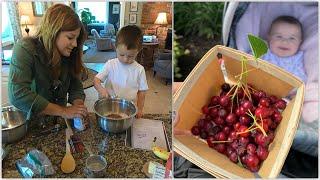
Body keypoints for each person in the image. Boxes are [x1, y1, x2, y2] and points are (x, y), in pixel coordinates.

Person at [8, 4, 88, 121]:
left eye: (76, 39)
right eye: (70, 38)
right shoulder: (24, 49)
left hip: (58, 122)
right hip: (32, 122)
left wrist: (78, 107)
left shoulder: (69, 53)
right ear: (53, 32)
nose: (75, 44)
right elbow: (18, 94)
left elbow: (75, 85)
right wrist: (63, 111)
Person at [93, 25, 148, 118]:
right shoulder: (110, 64)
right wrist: (101, 89)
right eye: (121, 54)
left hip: (128, 108)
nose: (126, 59)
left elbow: (142, 92)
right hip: (109, 105)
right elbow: (96, 80)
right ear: (116, 48)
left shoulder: (140, 70)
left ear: (138, 51)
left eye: (131, 56)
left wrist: (140, 109)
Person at [263, 15, 307, 83]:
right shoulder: (264, 50)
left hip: (284, 90)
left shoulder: (297, 59)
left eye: (292, 38)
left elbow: (301, 80)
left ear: (300, 42)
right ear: (269, 37)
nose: (285, 42)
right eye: (279, 36)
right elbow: (248, 60)